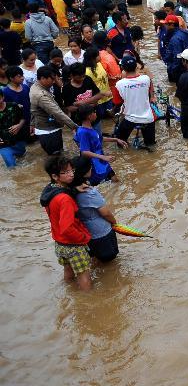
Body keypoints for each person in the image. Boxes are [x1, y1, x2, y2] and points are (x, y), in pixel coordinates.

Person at [40, 155, 93, 291]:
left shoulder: (49, 190)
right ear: (55, 176)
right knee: (84, 275)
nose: (71, 175)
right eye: (66, 172)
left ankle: (69, 294)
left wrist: (74, 190)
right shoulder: (65, 199)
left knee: (68, 272)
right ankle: (89, 304)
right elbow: (67, 228)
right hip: (74, 245)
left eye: (72, 171)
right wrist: (84, 238)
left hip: (60, 244)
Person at [71, 156, 119, 264]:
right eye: (90, 166)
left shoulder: (70, 190)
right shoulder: (89, 192)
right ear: (86, 171)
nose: (92, 168)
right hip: (101, 232)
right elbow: (105, 213)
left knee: (95, 259)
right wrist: (114, 223)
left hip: (86, 233)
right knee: (111, 262)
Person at [73, 104, 125, 183]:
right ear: (89, 116)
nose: (96, 114)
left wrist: (116, 139)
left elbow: (99, 138)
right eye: (94, 112)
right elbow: (84, 152)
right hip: (94, 164)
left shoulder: (89, 128)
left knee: (115, 180)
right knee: (98, 183)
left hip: (101, 160)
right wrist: (103, 157)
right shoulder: (83, 132)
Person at [31, 67, 77, 155]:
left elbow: (33, 108)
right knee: (57, 158)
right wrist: (75, 127)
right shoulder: (40, 95)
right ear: (43, 78)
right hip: (49, 131)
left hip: (47, 127)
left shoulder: (35, 86)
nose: (54, 81)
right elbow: (57, 112)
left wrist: (32, 123)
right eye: (52, 79)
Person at [112, 57, 156, 147]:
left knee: (120, 143)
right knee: (151, 145)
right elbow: (151, 86)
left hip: (130, 119)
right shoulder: (146, 78)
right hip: (148, 118)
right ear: (136, 67)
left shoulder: (119, 84)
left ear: (123, 69)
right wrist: (152, 96)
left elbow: (117, 102)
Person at [159, 16, 188, 83]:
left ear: (172, 25)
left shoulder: (175, 39)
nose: (165, 26)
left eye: (166, 24)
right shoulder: (185, 32)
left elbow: (178, 56)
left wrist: (173, 70)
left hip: (178, 68)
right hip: (187, 64)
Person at [0, 89, 26, 167]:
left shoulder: (13, 105)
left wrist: (19, 126)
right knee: (12, 166)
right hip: (3, 143)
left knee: (22, 156)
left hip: (18, 140)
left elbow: (23, 118)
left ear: (3, 97)